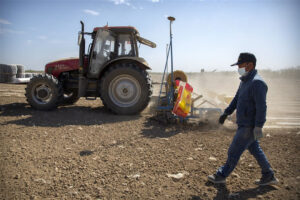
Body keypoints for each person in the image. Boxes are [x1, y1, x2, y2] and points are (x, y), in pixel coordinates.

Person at [208, 52, 279, 186]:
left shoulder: (257, 83)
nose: (238, 68)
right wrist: (226, 113)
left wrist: (258, 126)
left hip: (249, 126)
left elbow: (261, 107)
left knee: (234, 150)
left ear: (249, 65)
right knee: (255, 150)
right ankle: (269, 175)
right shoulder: (245, 81)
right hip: (243, 124)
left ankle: (221, 175)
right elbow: (236, 99)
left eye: (240, 65)